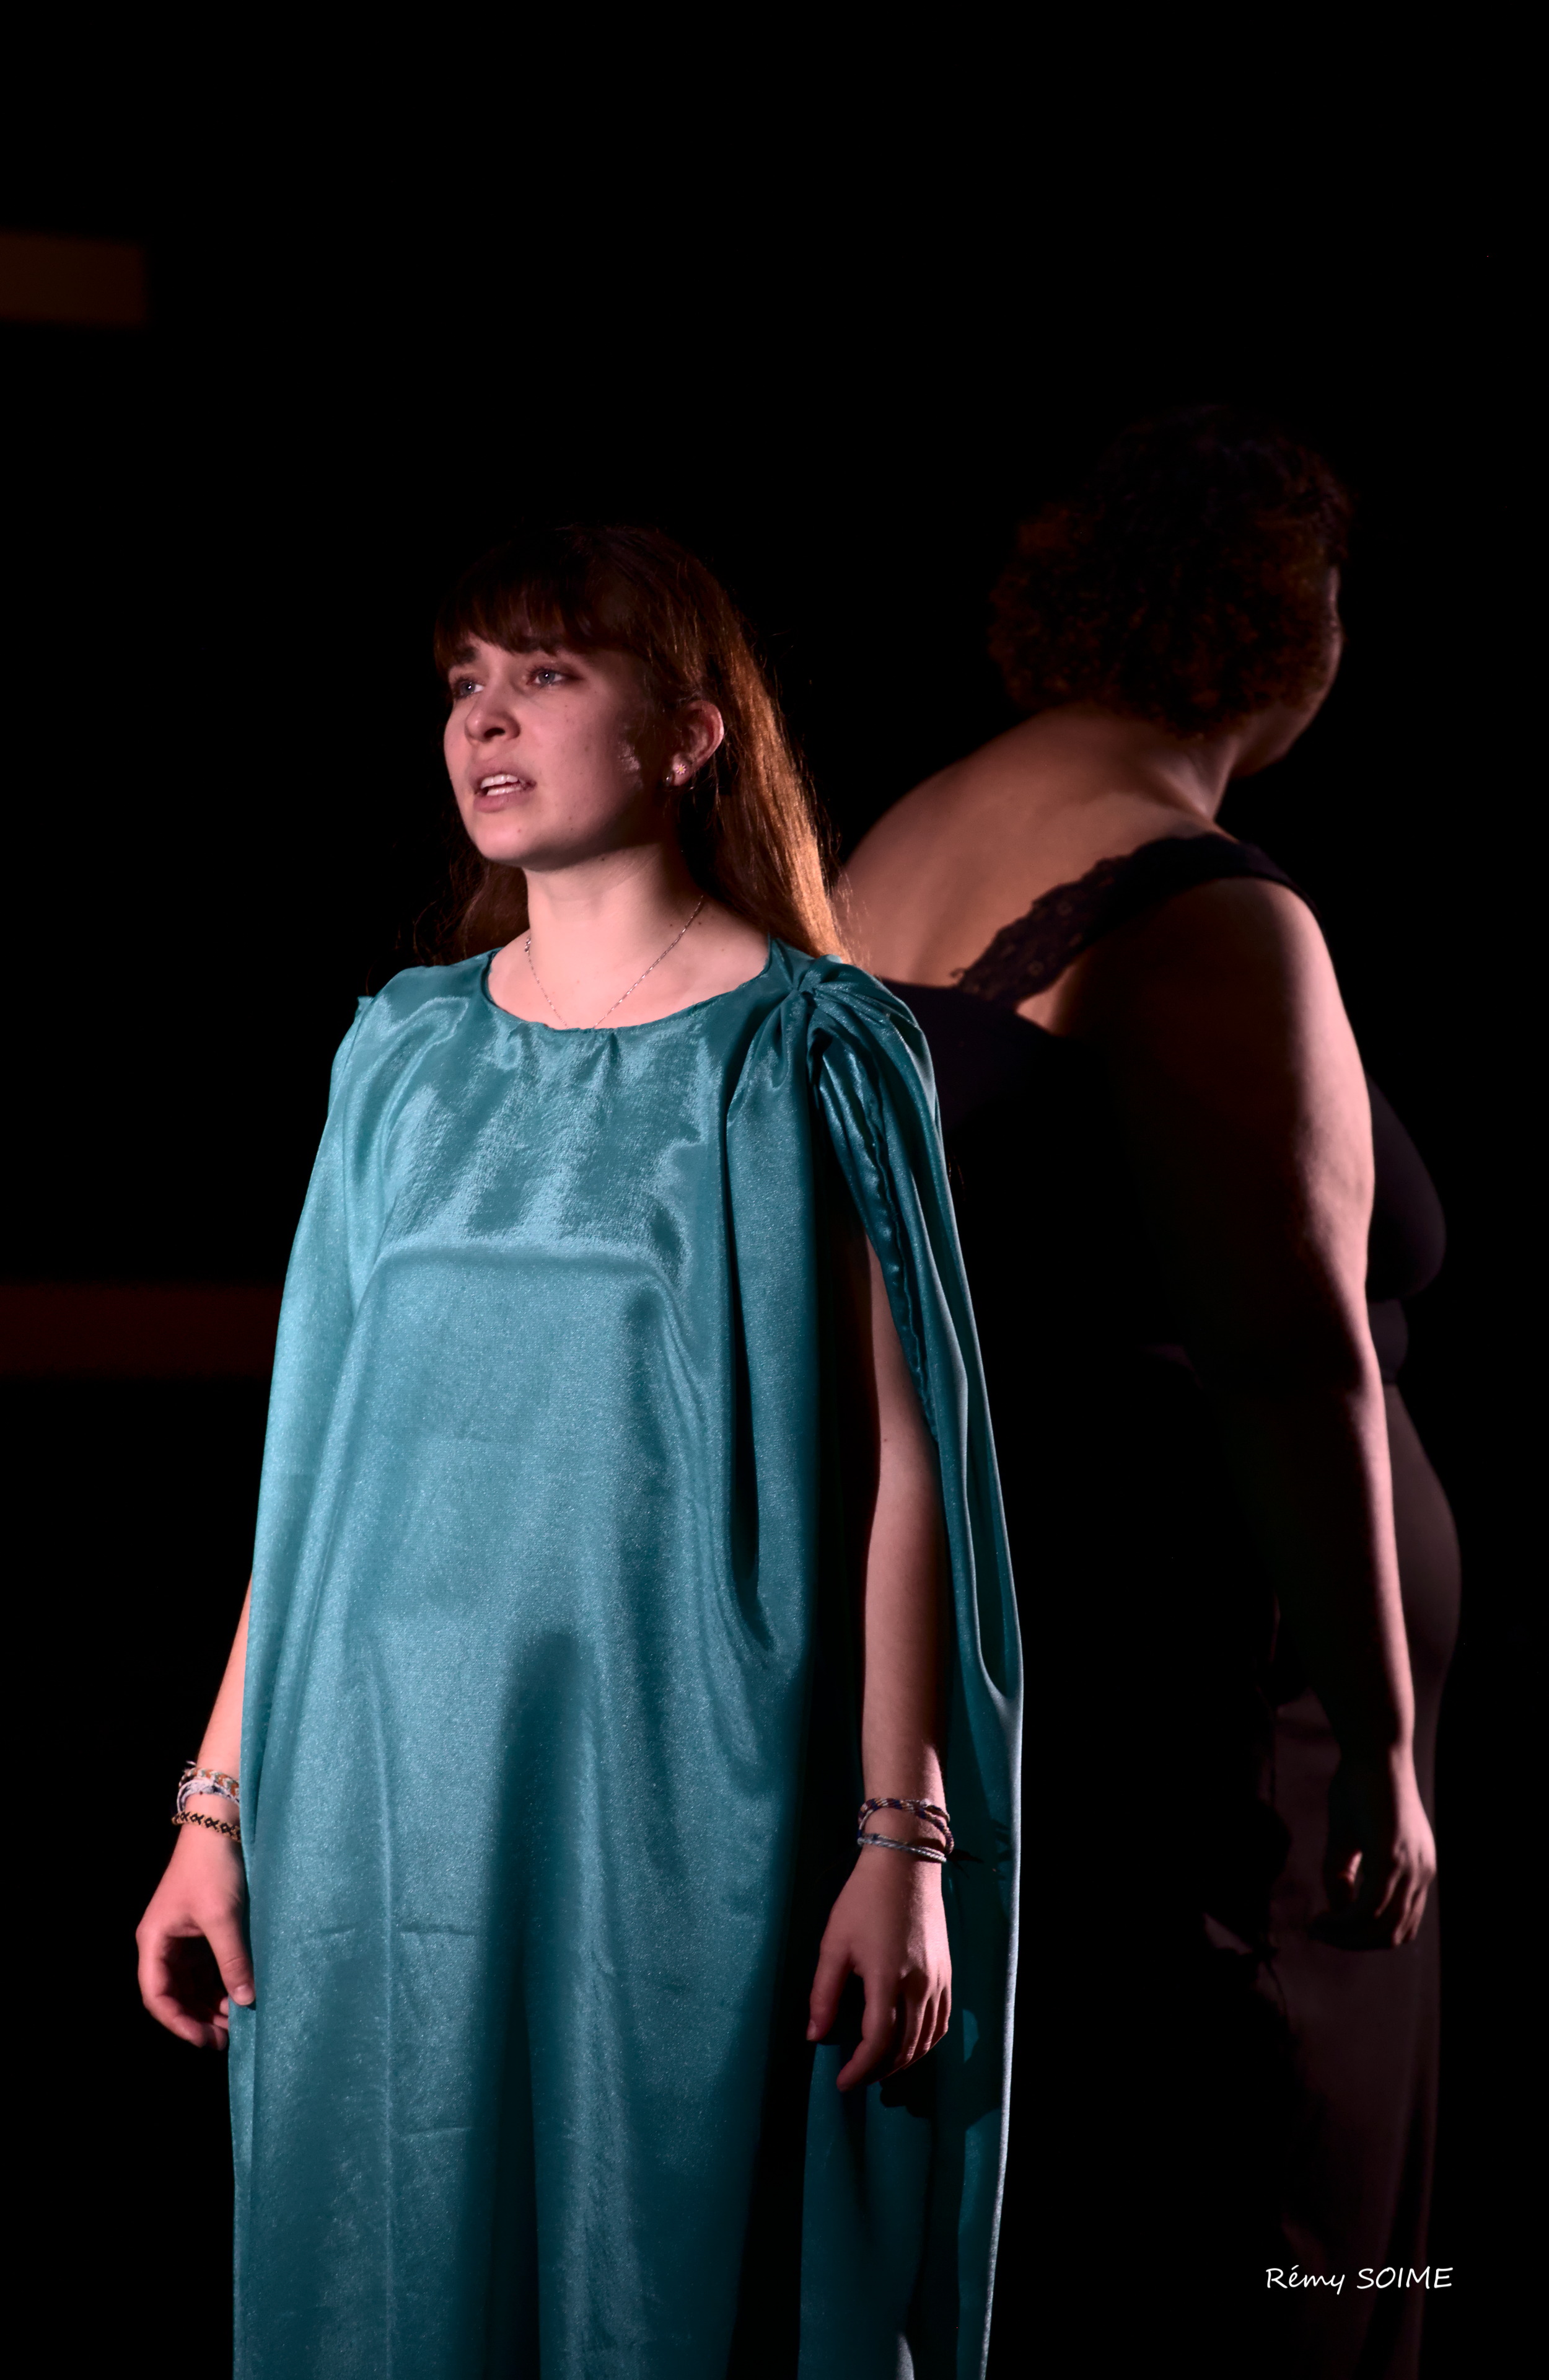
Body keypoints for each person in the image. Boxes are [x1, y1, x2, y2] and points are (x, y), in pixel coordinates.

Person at [136, 526, 1019, 2380]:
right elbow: (313, 1469)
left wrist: (903, 1838)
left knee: (662, 2277)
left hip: (685, 1781)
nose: (486, 721)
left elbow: (906, 1468)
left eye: (545, 675)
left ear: (689, 733)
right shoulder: (401, 1051)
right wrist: (213, 1808)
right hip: (378, 1784)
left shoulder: (808, 1050)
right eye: (465, 682)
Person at [845, 410, 1455, 2379]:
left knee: (1110, 2188)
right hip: (1218, 1699)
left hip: (1042, 1634)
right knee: (1273, 2227)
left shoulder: (899, 838)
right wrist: (1381, 1738)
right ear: (1285, 622)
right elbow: (1293, 1357)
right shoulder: (1202, 910)